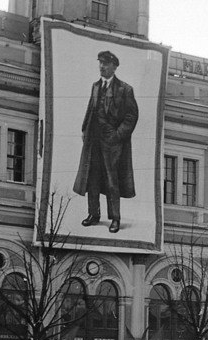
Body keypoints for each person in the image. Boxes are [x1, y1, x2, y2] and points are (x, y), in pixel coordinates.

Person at [73, 50, 138, 234]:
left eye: (105, 64)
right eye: (100, 63)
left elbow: (131, 116)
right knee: (92, 178)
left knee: (112, 180)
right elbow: (90, 109)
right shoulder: (95, 86)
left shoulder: (124, 89)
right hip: (93, 140)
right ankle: (94, 214)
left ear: (114, 66)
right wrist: (85, 130)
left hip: (112, 142)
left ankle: (115, 218)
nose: (101, 66)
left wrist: (118, 135)